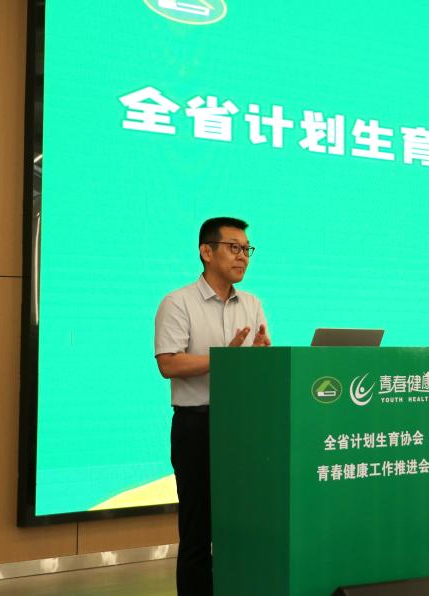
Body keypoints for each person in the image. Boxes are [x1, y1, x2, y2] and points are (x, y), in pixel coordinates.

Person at [154, 217, 271, 596]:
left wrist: (259, 359)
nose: (243, 256)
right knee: (197, 531)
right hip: (197, 426)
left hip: (242, 426)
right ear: (206, 251)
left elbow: (251, 368)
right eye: (234, 248)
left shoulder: (252, 304)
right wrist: (224, 359)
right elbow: (169, 363)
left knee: (242, 526)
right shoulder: (178, 302)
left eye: (247, 249)